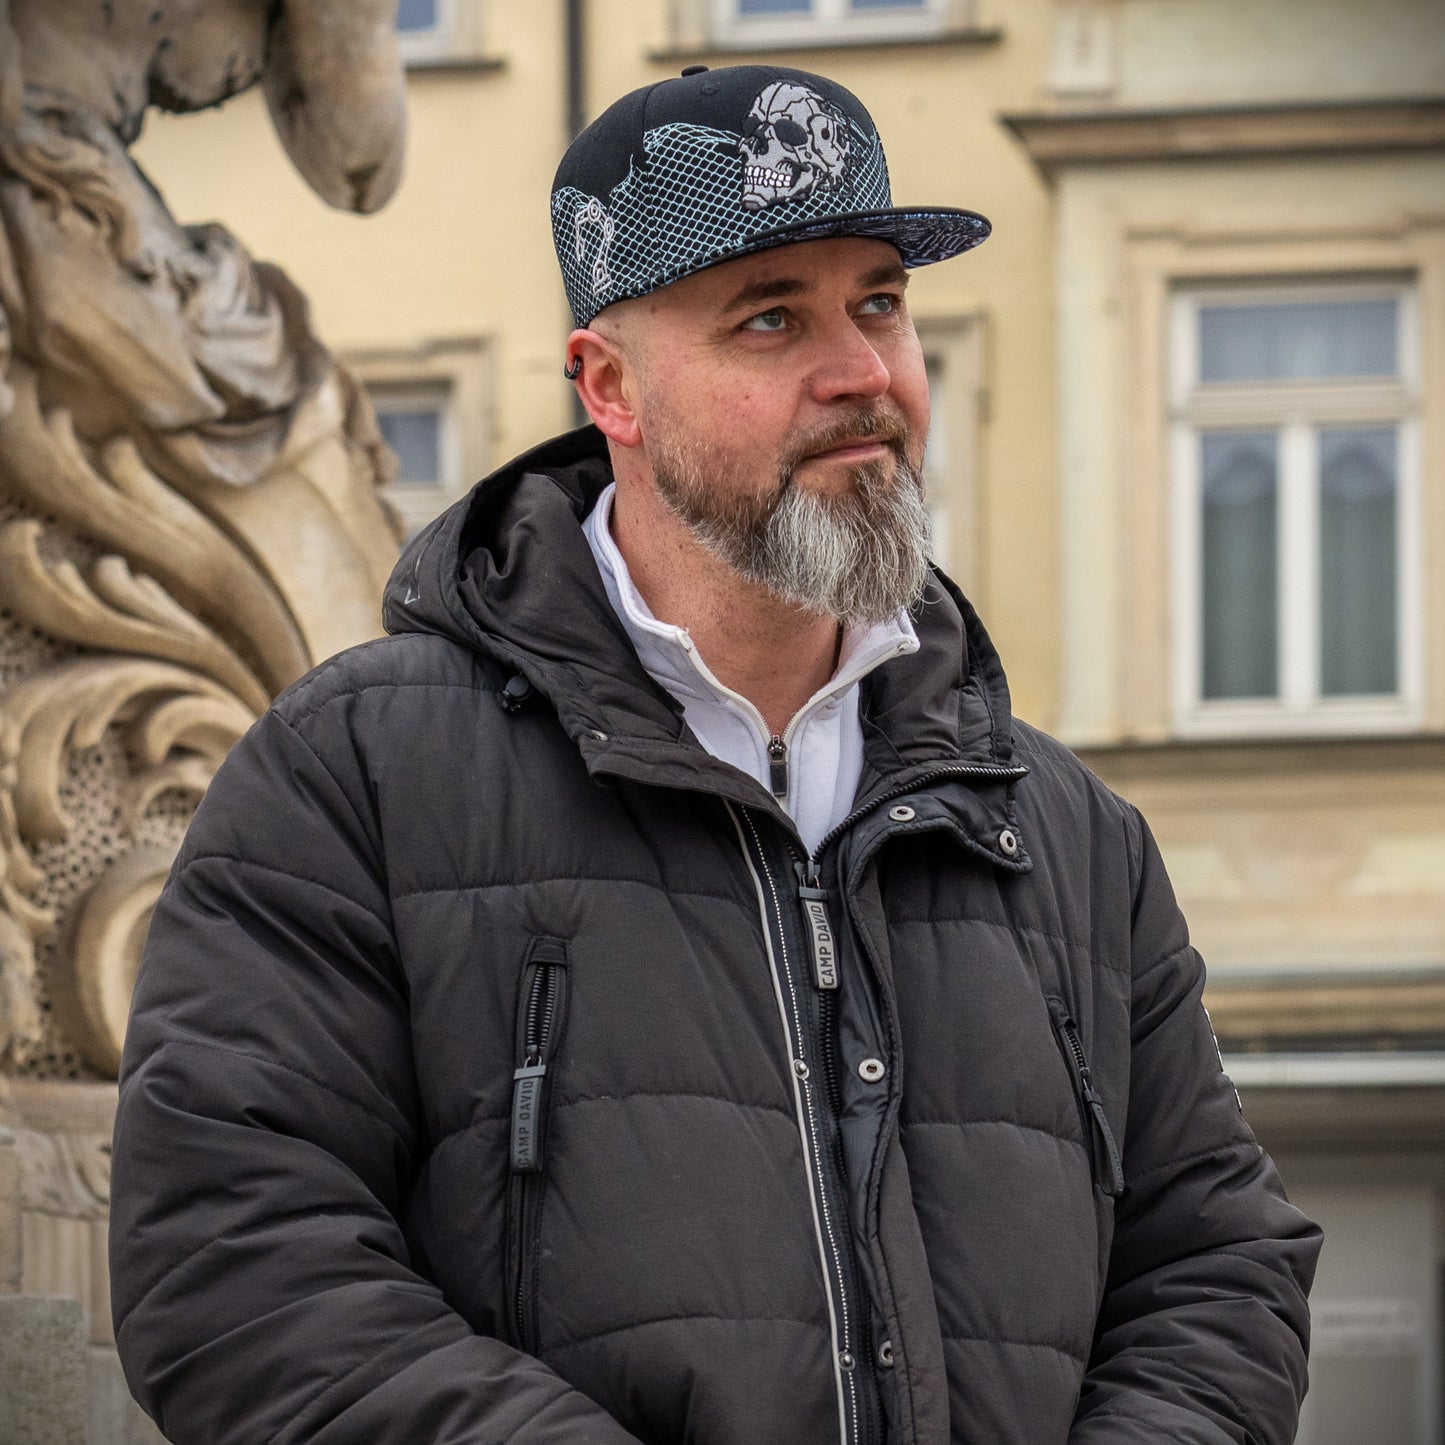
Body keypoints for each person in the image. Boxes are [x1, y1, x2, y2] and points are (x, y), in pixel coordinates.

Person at [110, 64, 1320, 1445]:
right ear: (610, 386)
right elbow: (235, 1264)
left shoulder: (1065, 833)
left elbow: (1220, 1268)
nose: (862, 371)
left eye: (880, 303)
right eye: (771, 318)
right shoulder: (357, 776)